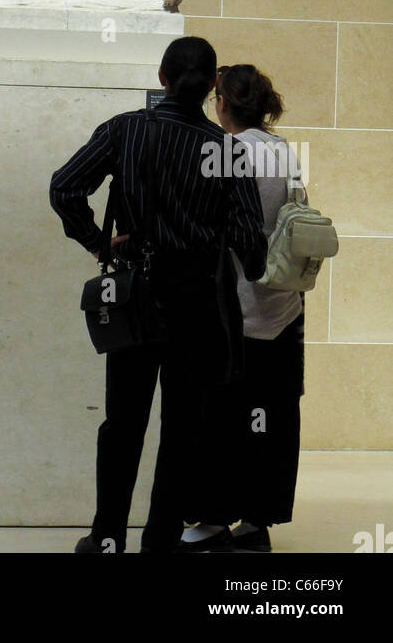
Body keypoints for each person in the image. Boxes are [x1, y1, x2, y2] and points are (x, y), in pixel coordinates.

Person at [49, 36, 267, 554]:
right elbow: (252, 250)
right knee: (183, 430)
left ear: (163, 78)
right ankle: (161, 543)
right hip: (197, 304)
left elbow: (64, 187)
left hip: (134, 296)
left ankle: (106, 537)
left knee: (122, 424)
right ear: (213, 84)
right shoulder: (226, 151)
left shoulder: (124, 130)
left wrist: (100, 241)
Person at [179, 65, 305, 554]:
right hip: (283, 306)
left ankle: (209, 520)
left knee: (219, 418)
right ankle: (257, 522)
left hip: (233, 307)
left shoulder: (224, 152)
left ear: (223, 103)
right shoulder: (284, 150)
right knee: (269, 418)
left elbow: (209, 227)